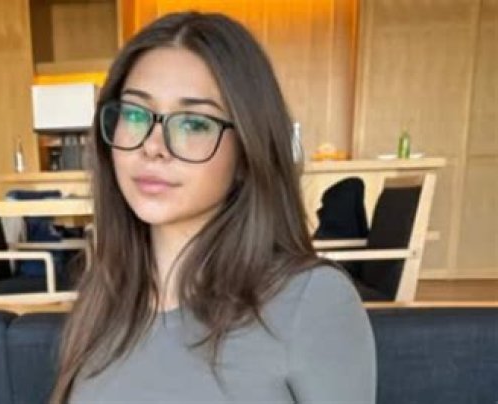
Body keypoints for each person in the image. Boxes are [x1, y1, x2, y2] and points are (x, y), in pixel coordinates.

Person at [51, 11, 376, 403]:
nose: (152, 146)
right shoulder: (104, 298)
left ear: (246, 152)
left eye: (193, 123)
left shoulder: (312, 302)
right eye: (135, 114)